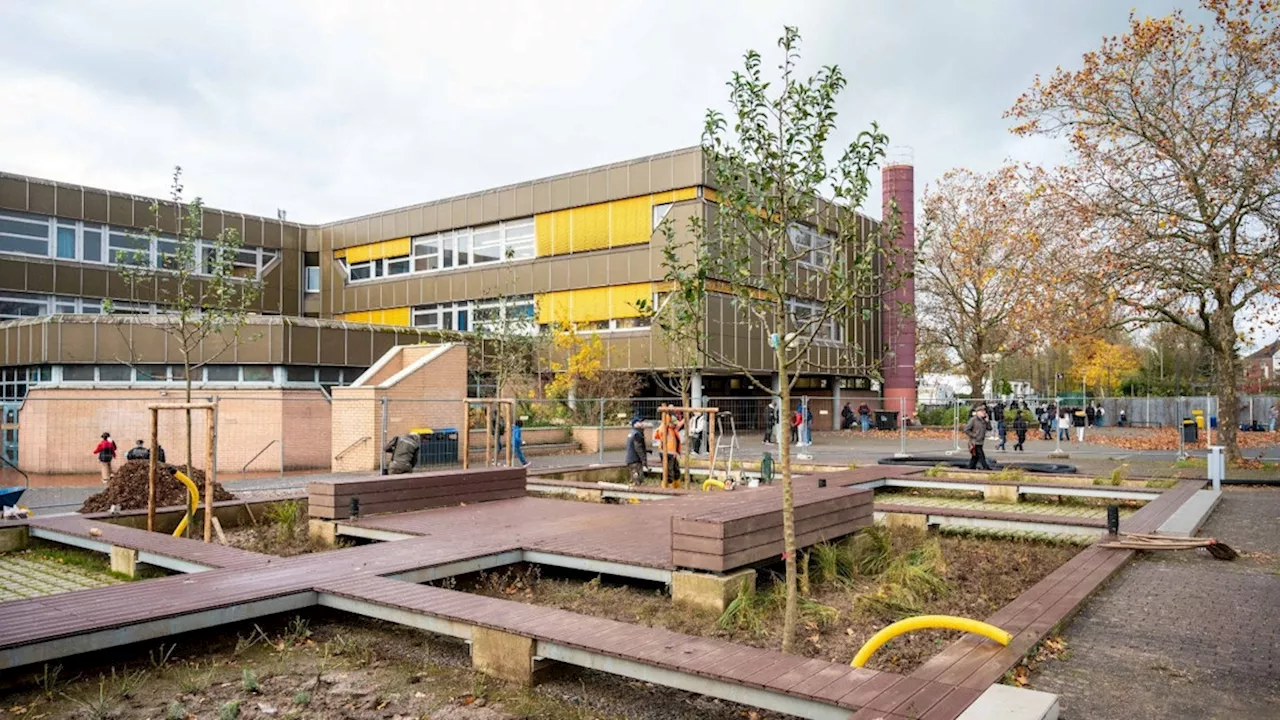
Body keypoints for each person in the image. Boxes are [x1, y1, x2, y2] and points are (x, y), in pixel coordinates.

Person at [654, 414, 685, 484]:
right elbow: (665, 424)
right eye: (673, 424)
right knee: (668, 471)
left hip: (672, 453)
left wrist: (685, 418)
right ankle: (667, 485)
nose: (675, 425)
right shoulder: (664, 428)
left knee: (676, 471)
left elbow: (679, 425)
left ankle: (675, 485)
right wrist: (668, 414)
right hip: (666, 452)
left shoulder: (673, 429)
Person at [964, 405, 992, 470]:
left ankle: (970, 467)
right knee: (981, 455)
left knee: (975, 457)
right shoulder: (973, 420)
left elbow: (989, 428)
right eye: (982, 411)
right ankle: (986, 467)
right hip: (974, 442)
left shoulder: (984, 420)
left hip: (981, 441)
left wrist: (987, 421)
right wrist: (974, 435)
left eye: (984, 411)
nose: (984, 412)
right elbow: (966, 429)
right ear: (978, 412)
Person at [623, 416, 649, 485]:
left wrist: (646, 451)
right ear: (635, 424)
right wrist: (644, 461)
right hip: (635, 461)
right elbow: (638, 448)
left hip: (631, 460)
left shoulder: (632, 433)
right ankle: (635, 494)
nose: (642, 424)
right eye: (639, 422)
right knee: (638, 481)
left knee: (634, 478)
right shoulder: (637, 434)